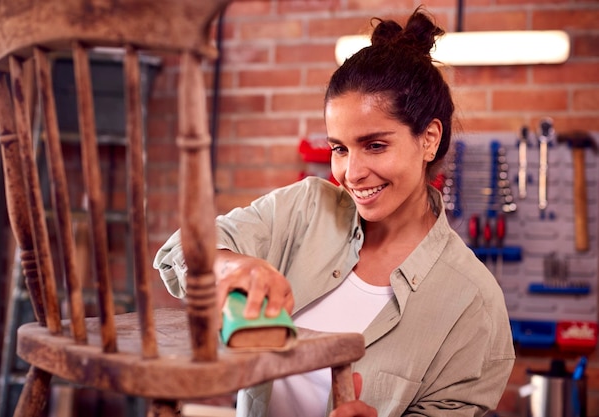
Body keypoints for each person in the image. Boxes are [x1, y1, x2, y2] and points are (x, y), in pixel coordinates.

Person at [154, 6, 515, 417]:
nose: (352, 173)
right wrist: (228, 268)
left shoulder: (474, 305)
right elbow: (182, 251)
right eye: (339, 149)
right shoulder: (305, 208)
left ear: (429, 139)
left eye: (375, 145)